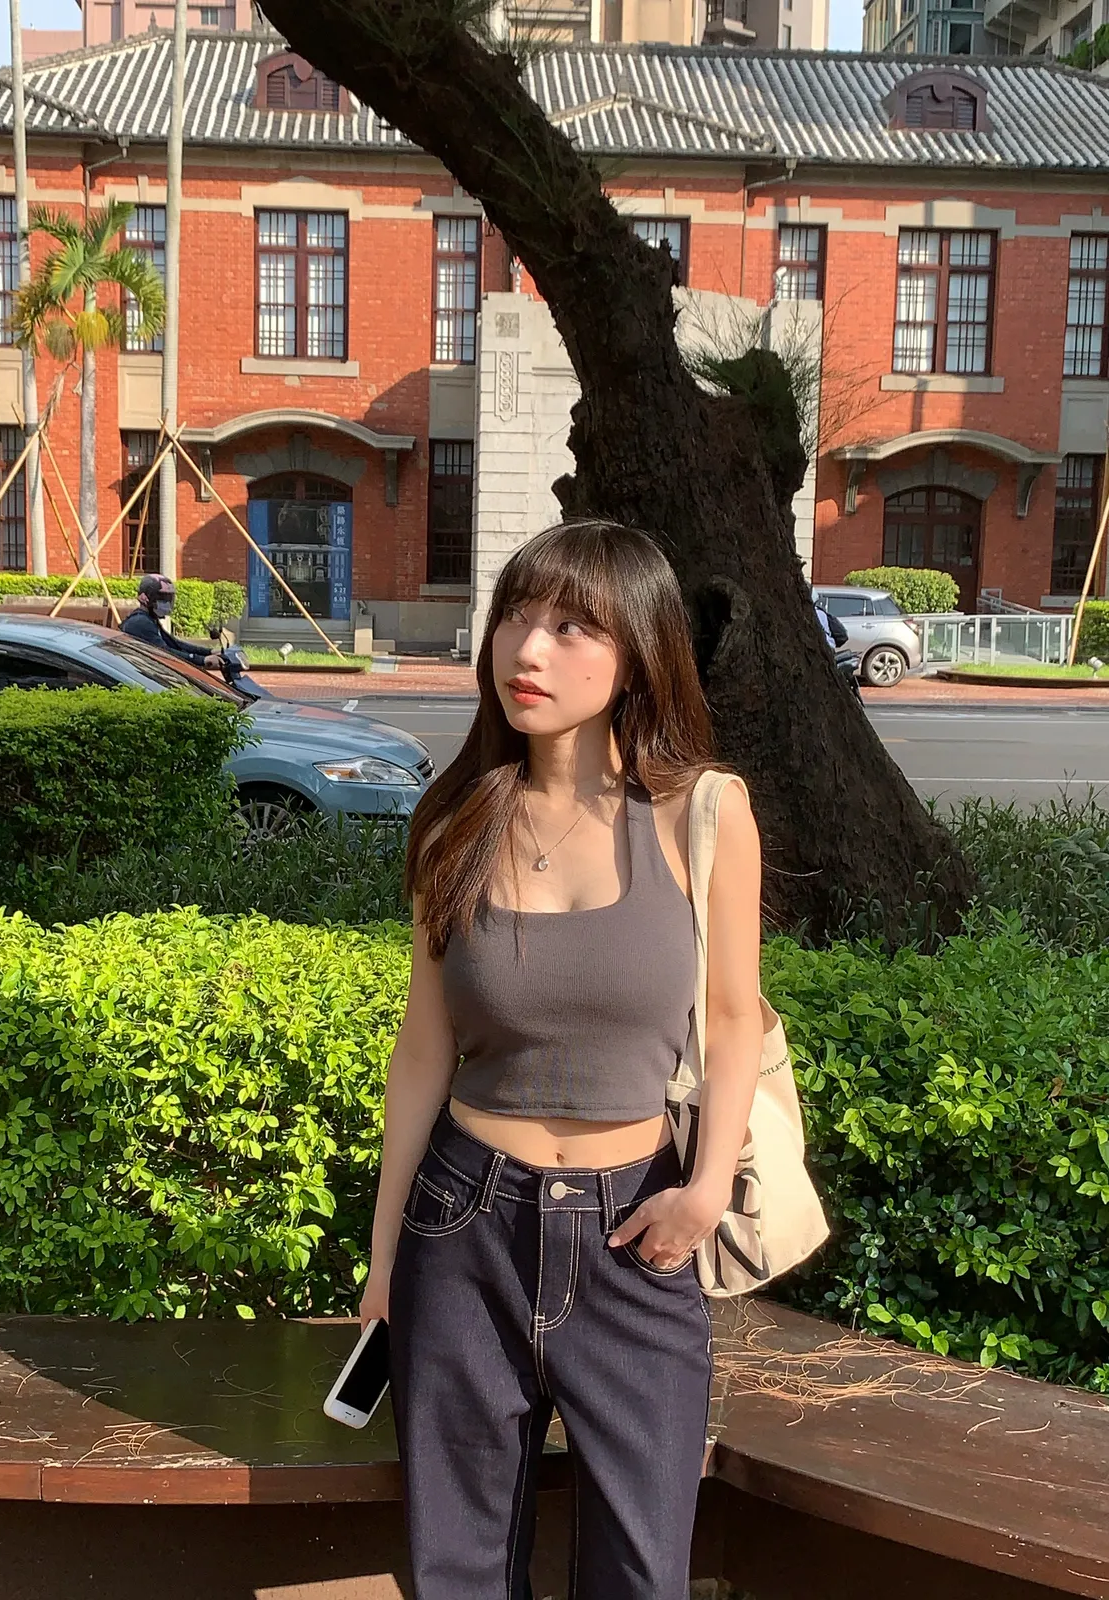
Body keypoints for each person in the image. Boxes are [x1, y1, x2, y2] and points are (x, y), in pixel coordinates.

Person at [362, 520, 764, 1599]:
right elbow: (423, 1049)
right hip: (463, 1227)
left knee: (641, 1573)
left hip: (638, 1234)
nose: (527, 650)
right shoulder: (454, 820)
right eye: (515, 617)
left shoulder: (702, 813)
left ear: (639, 649)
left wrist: (704, 1192)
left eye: (572, 626)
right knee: (457, 1571)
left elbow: (734, 1022)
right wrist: (385, 1255)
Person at [120, 574, 222, 670]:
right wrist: (202, 660)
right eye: (162, 598)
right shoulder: (141, 622)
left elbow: (174, 643)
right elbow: (165, 652)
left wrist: (209, 652)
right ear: (144, 598)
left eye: (169, 599)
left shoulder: (149, 619)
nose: (166, 603)